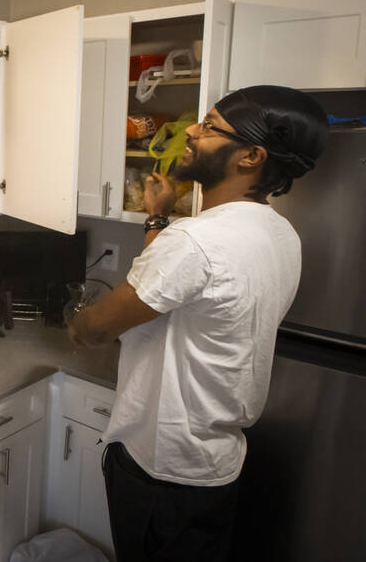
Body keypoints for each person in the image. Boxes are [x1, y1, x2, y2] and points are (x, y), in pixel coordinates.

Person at [66, 85, 329, 562]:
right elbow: (170, 290)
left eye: (208, 126)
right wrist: (156, 220)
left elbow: (97, 329)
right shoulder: (279, 232)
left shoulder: (194, 242)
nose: (190, 129)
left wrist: (78, 320)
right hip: (213, 463)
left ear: (250, 155)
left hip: (160, 468)